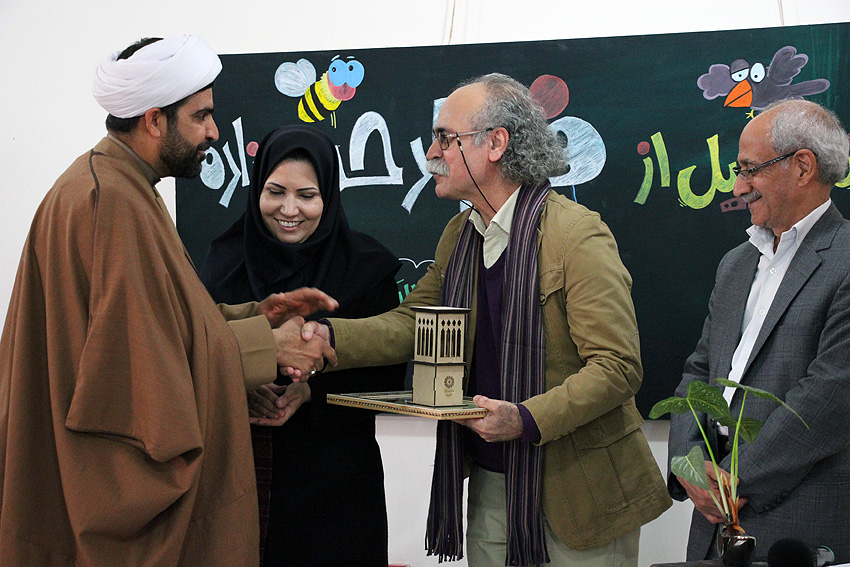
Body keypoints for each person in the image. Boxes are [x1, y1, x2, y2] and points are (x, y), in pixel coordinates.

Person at [280, 73, 672, 567]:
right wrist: (327, 335)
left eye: (445, 138)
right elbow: (414, 324)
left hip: (581, 492)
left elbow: (617, 368)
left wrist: (524, 419)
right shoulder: (459, 235)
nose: (431, 153)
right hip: (491, 481)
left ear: (496, 144)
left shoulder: (577, 235)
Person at [0, 35, 335, 567]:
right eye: (201, 116)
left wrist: (254, 315)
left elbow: (162, 321)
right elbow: (136, 372)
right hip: (106, 496)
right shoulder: (110, 201)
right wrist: (266, 347)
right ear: (155, 120)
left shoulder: (122, 186)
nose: (213, 131)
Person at [200, 125, 406, 566]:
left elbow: (388, 377)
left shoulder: (368, 270)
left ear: (328, 196)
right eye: (275, 192)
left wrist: (310, 392)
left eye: (307, 195)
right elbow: (192, 356)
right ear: (257, 189)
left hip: (335, 486)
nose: (289, 209)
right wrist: (243, 385)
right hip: (238, 479)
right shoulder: (221, 264)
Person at [667, 99, 850, 561]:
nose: (738, 186)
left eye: (750, 170)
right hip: (712, 523)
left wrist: (737, 479)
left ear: (802, 167)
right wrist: (690, 465)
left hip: (798, 523)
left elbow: (832, 392)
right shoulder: (736, 263)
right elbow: (699, 372)